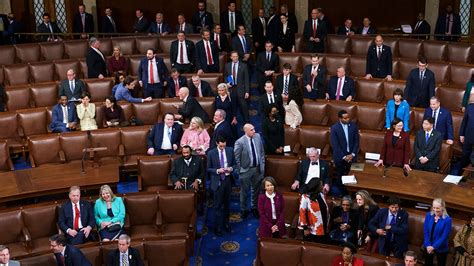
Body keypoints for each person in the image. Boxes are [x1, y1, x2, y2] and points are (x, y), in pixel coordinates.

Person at [234, 123, 265, 219]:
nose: (254, 131)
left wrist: (262, 165)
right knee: (244, 191)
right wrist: (240, 170)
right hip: (246, 170)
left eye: (254, 129)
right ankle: (243, 209)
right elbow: (236, 158)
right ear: (246, 131)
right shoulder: (239, 142)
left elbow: (262, 152)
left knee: (256, 190)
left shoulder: (258, 137)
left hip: (257, 168)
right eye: (252, 130)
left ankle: (254, 208)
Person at [207, 136, 235, 236]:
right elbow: (208, 169)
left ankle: (226, 223)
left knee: (227, 204)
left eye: (224, 145)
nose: (223, 147)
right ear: (217, 143)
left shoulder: (230, 150)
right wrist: (217, 171)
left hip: (227, 180)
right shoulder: (211, 153)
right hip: (217, 181)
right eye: (221, 145)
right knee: (217, 206)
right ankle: (217, 227)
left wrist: (231, 168)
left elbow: (235, 165)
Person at [330, 110, 360, 193]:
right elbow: (335, 145)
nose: (347, 119)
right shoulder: (334, 128)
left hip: (352, 156)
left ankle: (352, 193)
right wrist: (344, 157)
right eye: (345, 118)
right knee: (341, 174)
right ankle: (341, 192)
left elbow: (356, 142)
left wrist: (352, 154)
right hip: (340, 156)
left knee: (353, 175)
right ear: (340, 118)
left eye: (348, 117)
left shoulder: (353, 126)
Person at [298, 178, 329, 243]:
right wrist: (305, 228)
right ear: (316, 186)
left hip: (323, 227)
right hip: (312, 230)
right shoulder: (305, 197)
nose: (322, 186)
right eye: (321, 185)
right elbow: (302, 212)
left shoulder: (321, 195)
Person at [422, 198, 452, 266]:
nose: (435, 210)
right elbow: (425, 231)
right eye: (434, 207)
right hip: (428, 245)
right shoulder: (429, 215)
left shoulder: (447, 220)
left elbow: (444, 237)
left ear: (443, 208)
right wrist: (428, 245)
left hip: (441, 247)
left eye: (437, 208)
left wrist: (434, 247)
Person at [224, 51, 250, 122]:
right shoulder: (227, 65)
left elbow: (246, 79)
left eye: (236, 56)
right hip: (231, 89)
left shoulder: (244, 65)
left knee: (244, 106)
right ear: (231, 57)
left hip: (241, 89)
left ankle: (247, 121)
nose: (235, 58)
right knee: (233, 106)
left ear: (238, 57)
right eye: (233, 56)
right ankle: (233, 121)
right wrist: (227, 83)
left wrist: (247, 91)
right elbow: (226, 76)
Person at [459, 103, 474, 175]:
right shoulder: (470, 107)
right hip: (468, 136)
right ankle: (460, 175)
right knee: (465, 156)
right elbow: (464, 121)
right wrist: (461, 134)